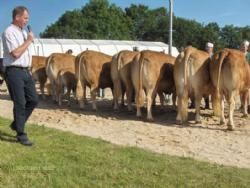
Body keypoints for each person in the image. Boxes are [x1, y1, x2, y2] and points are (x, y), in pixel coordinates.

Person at [1, 6, 38, 146]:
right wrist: (28, 41)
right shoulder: (8, 32)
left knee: (33, 100)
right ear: (17, 17)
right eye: (25, 18)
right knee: (20, 103)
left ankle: (17, 124)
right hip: (14, 71)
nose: (27, 21)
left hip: (25, 71)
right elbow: (15, 54)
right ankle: (21, 135)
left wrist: (27, 39)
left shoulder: (22, 32)